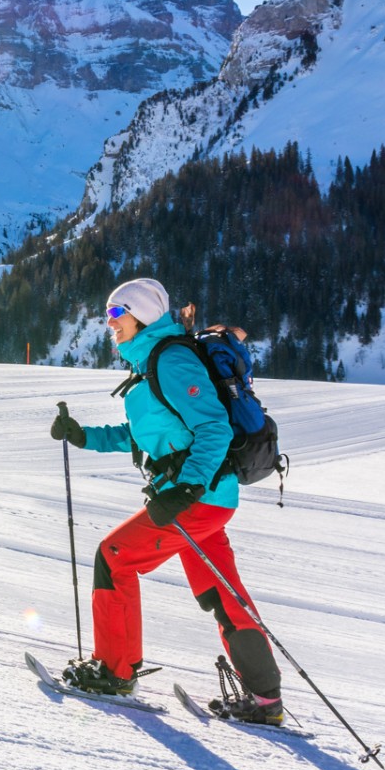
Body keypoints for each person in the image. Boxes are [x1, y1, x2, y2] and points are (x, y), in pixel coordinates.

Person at [49, 277, 285, 724]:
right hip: (207, 498)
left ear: (142, 315)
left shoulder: (172, 360)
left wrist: (186, 489)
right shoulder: (149, 366)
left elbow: (214, 427)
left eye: (117, 314)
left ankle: (115, 673)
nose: (110, 324)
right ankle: (265, 700)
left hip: (198, 498)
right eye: (108, 316)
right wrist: (84, 437)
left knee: (115, 557)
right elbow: (141, 437)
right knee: (222, 592)